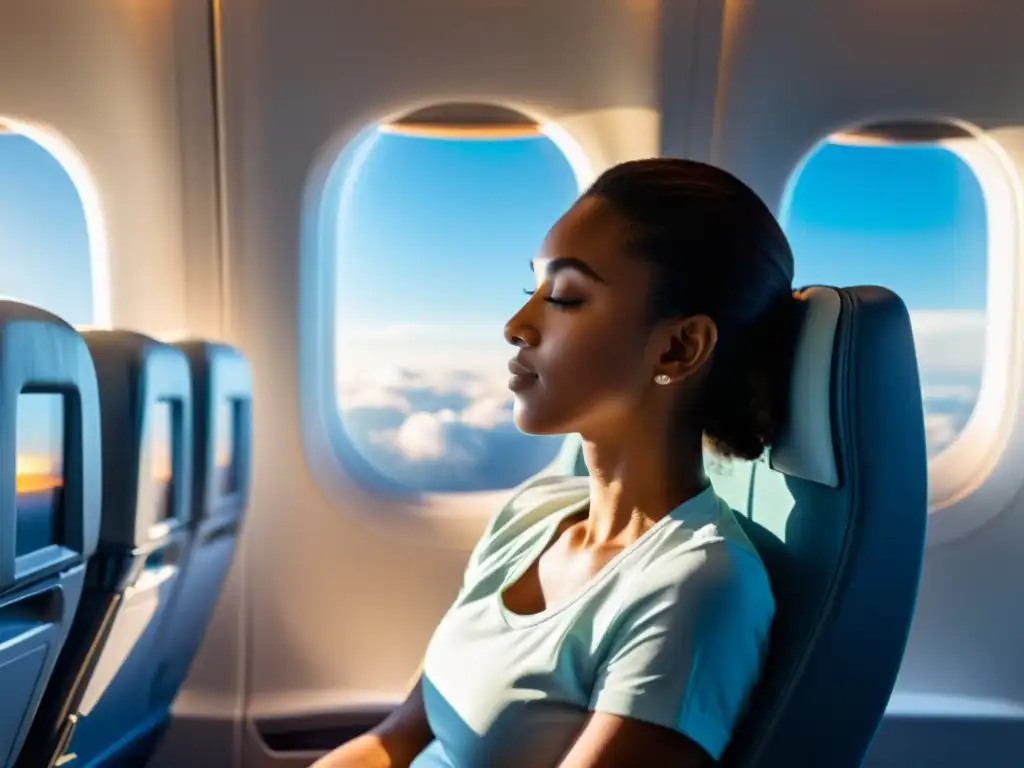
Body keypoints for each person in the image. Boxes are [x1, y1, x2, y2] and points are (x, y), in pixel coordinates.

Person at [313, 158, 801, 767]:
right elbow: (397, 738)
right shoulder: (532, 514)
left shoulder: (696, 587)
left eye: (566, 298)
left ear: (679, 347)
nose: (516, 325)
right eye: (532, 291)